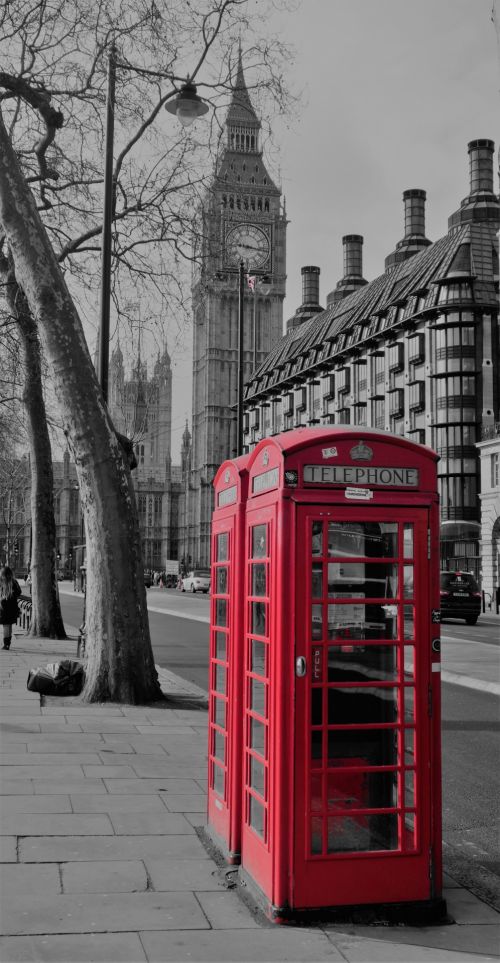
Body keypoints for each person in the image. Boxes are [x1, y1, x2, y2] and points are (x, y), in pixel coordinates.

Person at [0, 565, 22, 650]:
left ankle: (6, 644)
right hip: (13, 607)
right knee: (9, 626)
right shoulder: (14, 582)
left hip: (3, 607)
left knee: (6, 626)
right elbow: (19, 592)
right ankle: (8, 643)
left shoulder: (1, 582)